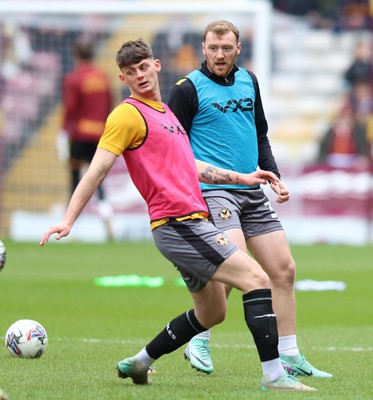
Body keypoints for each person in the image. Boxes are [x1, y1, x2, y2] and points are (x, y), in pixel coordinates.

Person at [40, 39, 316, 392]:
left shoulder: (166, 114)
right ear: (123, 78)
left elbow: (193, 165)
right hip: (176, 223)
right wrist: (69, 219)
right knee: (257, 278)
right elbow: (96, 170)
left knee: (213, 312)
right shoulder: (127, 115)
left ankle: (140, 362)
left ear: (156, 66)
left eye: (143, 67)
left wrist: (244, 177)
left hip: (190, 223)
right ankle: (275, 375)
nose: (139, 75)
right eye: (130, 72)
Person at [168, 20, 333, 378]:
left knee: (284, 270)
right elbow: (175, 153)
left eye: (226, 48)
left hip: (253, 192)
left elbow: (260, 134)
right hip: (213, 193)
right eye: (213, 48)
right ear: (203, 48)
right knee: (236, 266)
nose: (219, 54)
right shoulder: (187, 89)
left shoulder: (249, 80)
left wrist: (274, 176)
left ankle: (289, 354)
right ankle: (200, 337)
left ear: (238, 48)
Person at [58, 39, 114, 240]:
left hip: (80, 136)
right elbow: (109, 106)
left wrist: (63, 132)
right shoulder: (103, 78)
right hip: (100, 136)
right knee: (98, 179)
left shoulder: (73, 79)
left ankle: (68, 228)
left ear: (77, 57)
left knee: (75, 177)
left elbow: (70, 109)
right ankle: (108, 224)